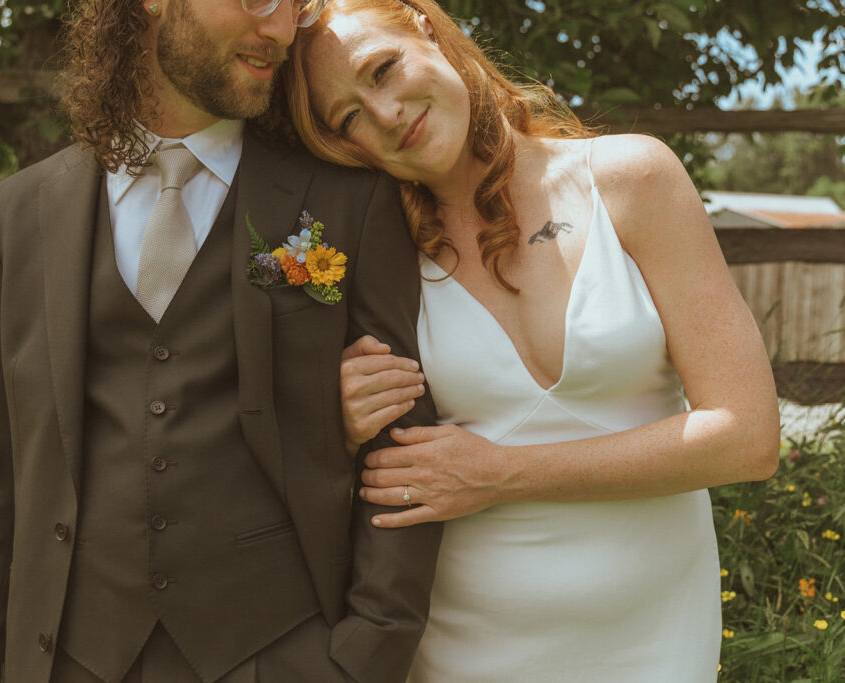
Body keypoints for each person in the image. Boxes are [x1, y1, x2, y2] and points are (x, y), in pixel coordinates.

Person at [0, 1, 442, 681]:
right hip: (68, 658)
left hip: (280, 655)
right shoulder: (21, 214)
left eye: (291, 7)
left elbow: (402, 451)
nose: (280, 29)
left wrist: (361, 660)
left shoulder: (347, 202)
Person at [282, 1, 781, 680]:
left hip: (655, 643)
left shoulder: (632, 180)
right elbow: (319, 463)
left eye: (383, 70)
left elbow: (747, 435)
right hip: (460, 651)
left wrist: (500, 473)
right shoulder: (370, 255)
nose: (387, 115)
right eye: (349, 119)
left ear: (425, 27)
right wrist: (335, 418)